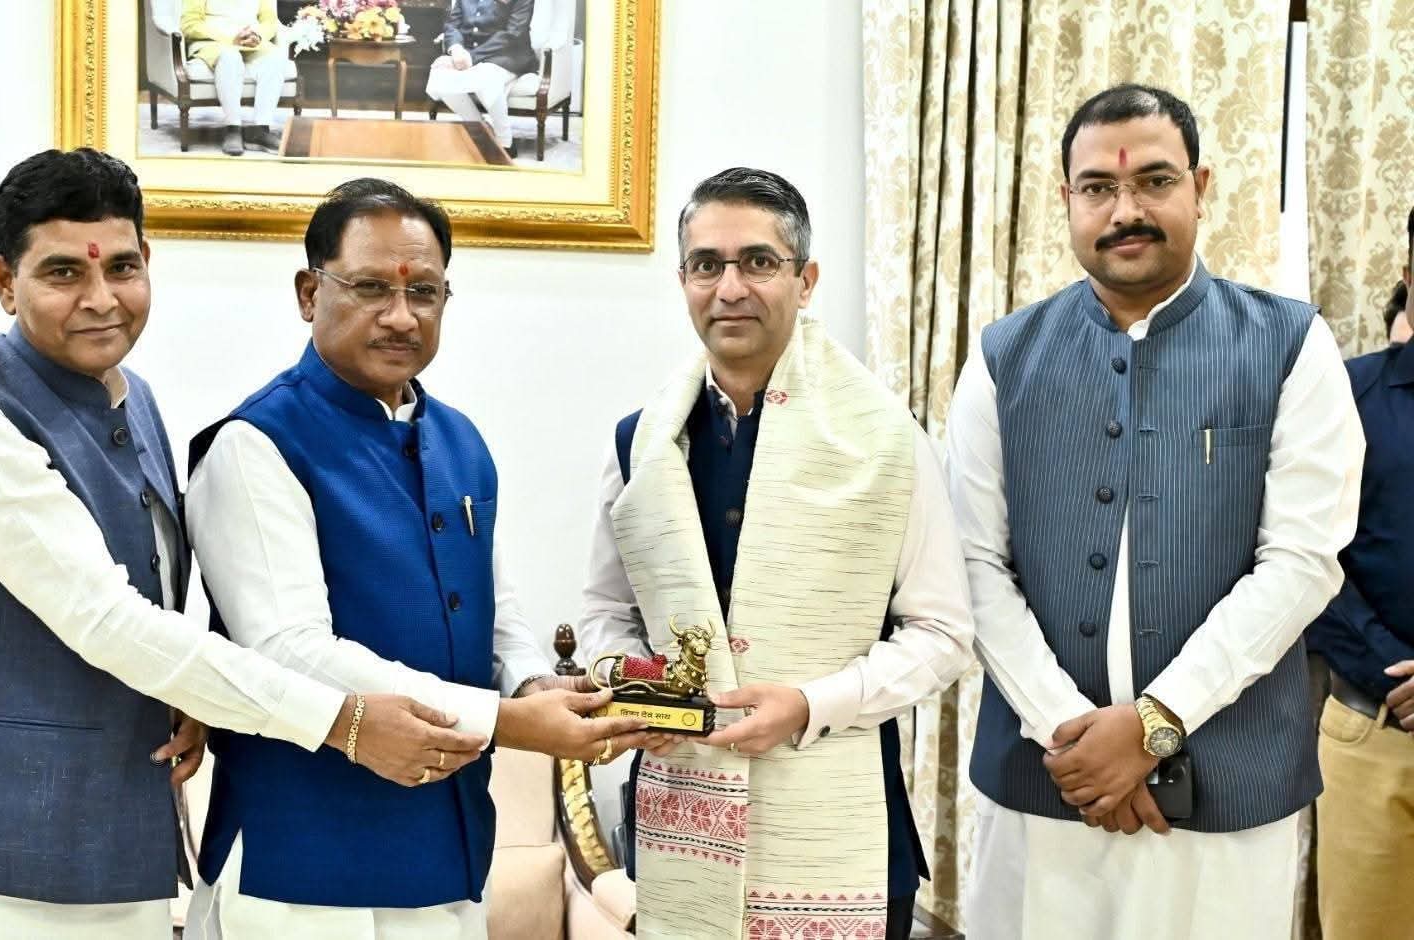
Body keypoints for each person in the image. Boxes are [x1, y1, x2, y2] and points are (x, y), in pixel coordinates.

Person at [0, 148, 365, 939]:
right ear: (5, 282)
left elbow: (150, 593)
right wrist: (342, 721)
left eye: (122, 267)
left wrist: (183, 696)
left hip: (118, 853)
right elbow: (107, 621)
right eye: (63, 273)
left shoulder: (135, 400)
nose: (101, 299)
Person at [947, 84, 1364, 940]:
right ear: (1066, 200)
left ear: (1201, 188)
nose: (1125, 210)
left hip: (1229, 792)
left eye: (1155, 181)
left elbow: (1301, 562)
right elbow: (971, 561)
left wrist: (1154, 724)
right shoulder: (1003, 356)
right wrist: (1071, 736)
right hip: (1045, 784)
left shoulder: (1289, 343)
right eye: (1098, 187)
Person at [182, 177, 649, 938]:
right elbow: (288, 650)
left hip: (446, 848)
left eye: (424, 292)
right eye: (370, 287)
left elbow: (494, 609)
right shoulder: (255, 443)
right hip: (299, 865)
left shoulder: (460, 438)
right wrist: (510, 721)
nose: (402, 316)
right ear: (309, 293)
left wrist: (534, 681)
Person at [578, 167, 976, 939]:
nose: (730, 288)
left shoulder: (887, 442)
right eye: (707, 265)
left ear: (805, 279)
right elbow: (605, 610)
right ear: (684, 281)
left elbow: (942, 634)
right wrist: (635, 688)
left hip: (841, 828)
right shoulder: (639, 444)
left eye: (758, 262)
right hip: (680, 817)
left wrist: (810, 705)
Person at [1305, 202, 1414, 940]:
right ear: (1408, 272)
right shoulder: (1348, 396)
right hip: (1376, 732)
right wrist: (1395, 674)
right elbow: (1307, 559)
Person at [425, 0, 534, 158]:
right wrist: (456, 50)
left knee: (487, 76)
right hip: (469, 54)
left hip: (507, 56)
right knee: (440, 72)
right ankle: (479, 129)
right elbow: (452, 26)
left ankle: (505, 142)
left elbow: (512, 34)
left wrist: (471, 57)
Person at [181, 0, 287, 155]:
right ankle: (233, 128)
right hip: (214, 43)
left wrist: (257, 35)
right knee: (230, 57)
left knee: (276, 58)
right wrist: (230, 37)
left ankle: (261, 130)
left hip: (252, 43)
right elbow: (190, 24)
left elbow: (269, 21)